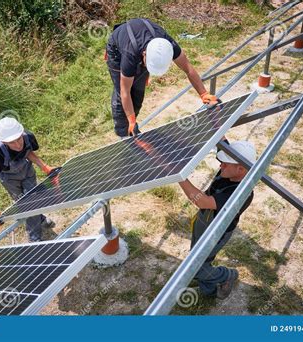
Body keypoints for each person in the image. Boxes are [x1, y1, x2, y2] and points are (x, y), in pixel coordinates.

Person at [105, 18, 221, 138]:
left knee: (137, 95)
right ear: (144, 54)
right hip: (117, 51)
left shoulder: (167, 44)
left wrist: (204, 94)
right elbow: (125, 91)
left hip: (139, 44)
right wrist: (131, 119)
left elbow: (188, 68)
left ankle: (132, 121)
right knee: (122, 93)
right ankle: (123, 132)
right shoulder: (130, 54)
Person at [178, 139, 256, 299]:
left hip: (216, 233)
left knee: (196, 268)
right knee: (197, 257)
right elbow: (220, 138)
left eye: (225, 164)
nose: (220, 166)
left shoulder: (241, 193)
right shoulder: (233, 166)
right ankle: (209, 290)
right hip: (203, 220)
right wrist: (214, 116)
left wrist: (178, 175)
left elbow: (202, 201)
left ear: (240, 168)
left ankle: (227, 275)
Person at [0, 117, 57, 242]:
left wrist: (45, 167)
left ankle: (34, 240)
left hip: (27, 172)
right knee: (24, 204)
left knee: (31, 203)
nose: (18, 145)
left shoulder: (28, 137)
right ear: (4, 142)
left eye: (18, 139)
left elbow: (27, 152)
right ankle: (41, 219)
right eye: (12, 142)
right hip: (10, 180)